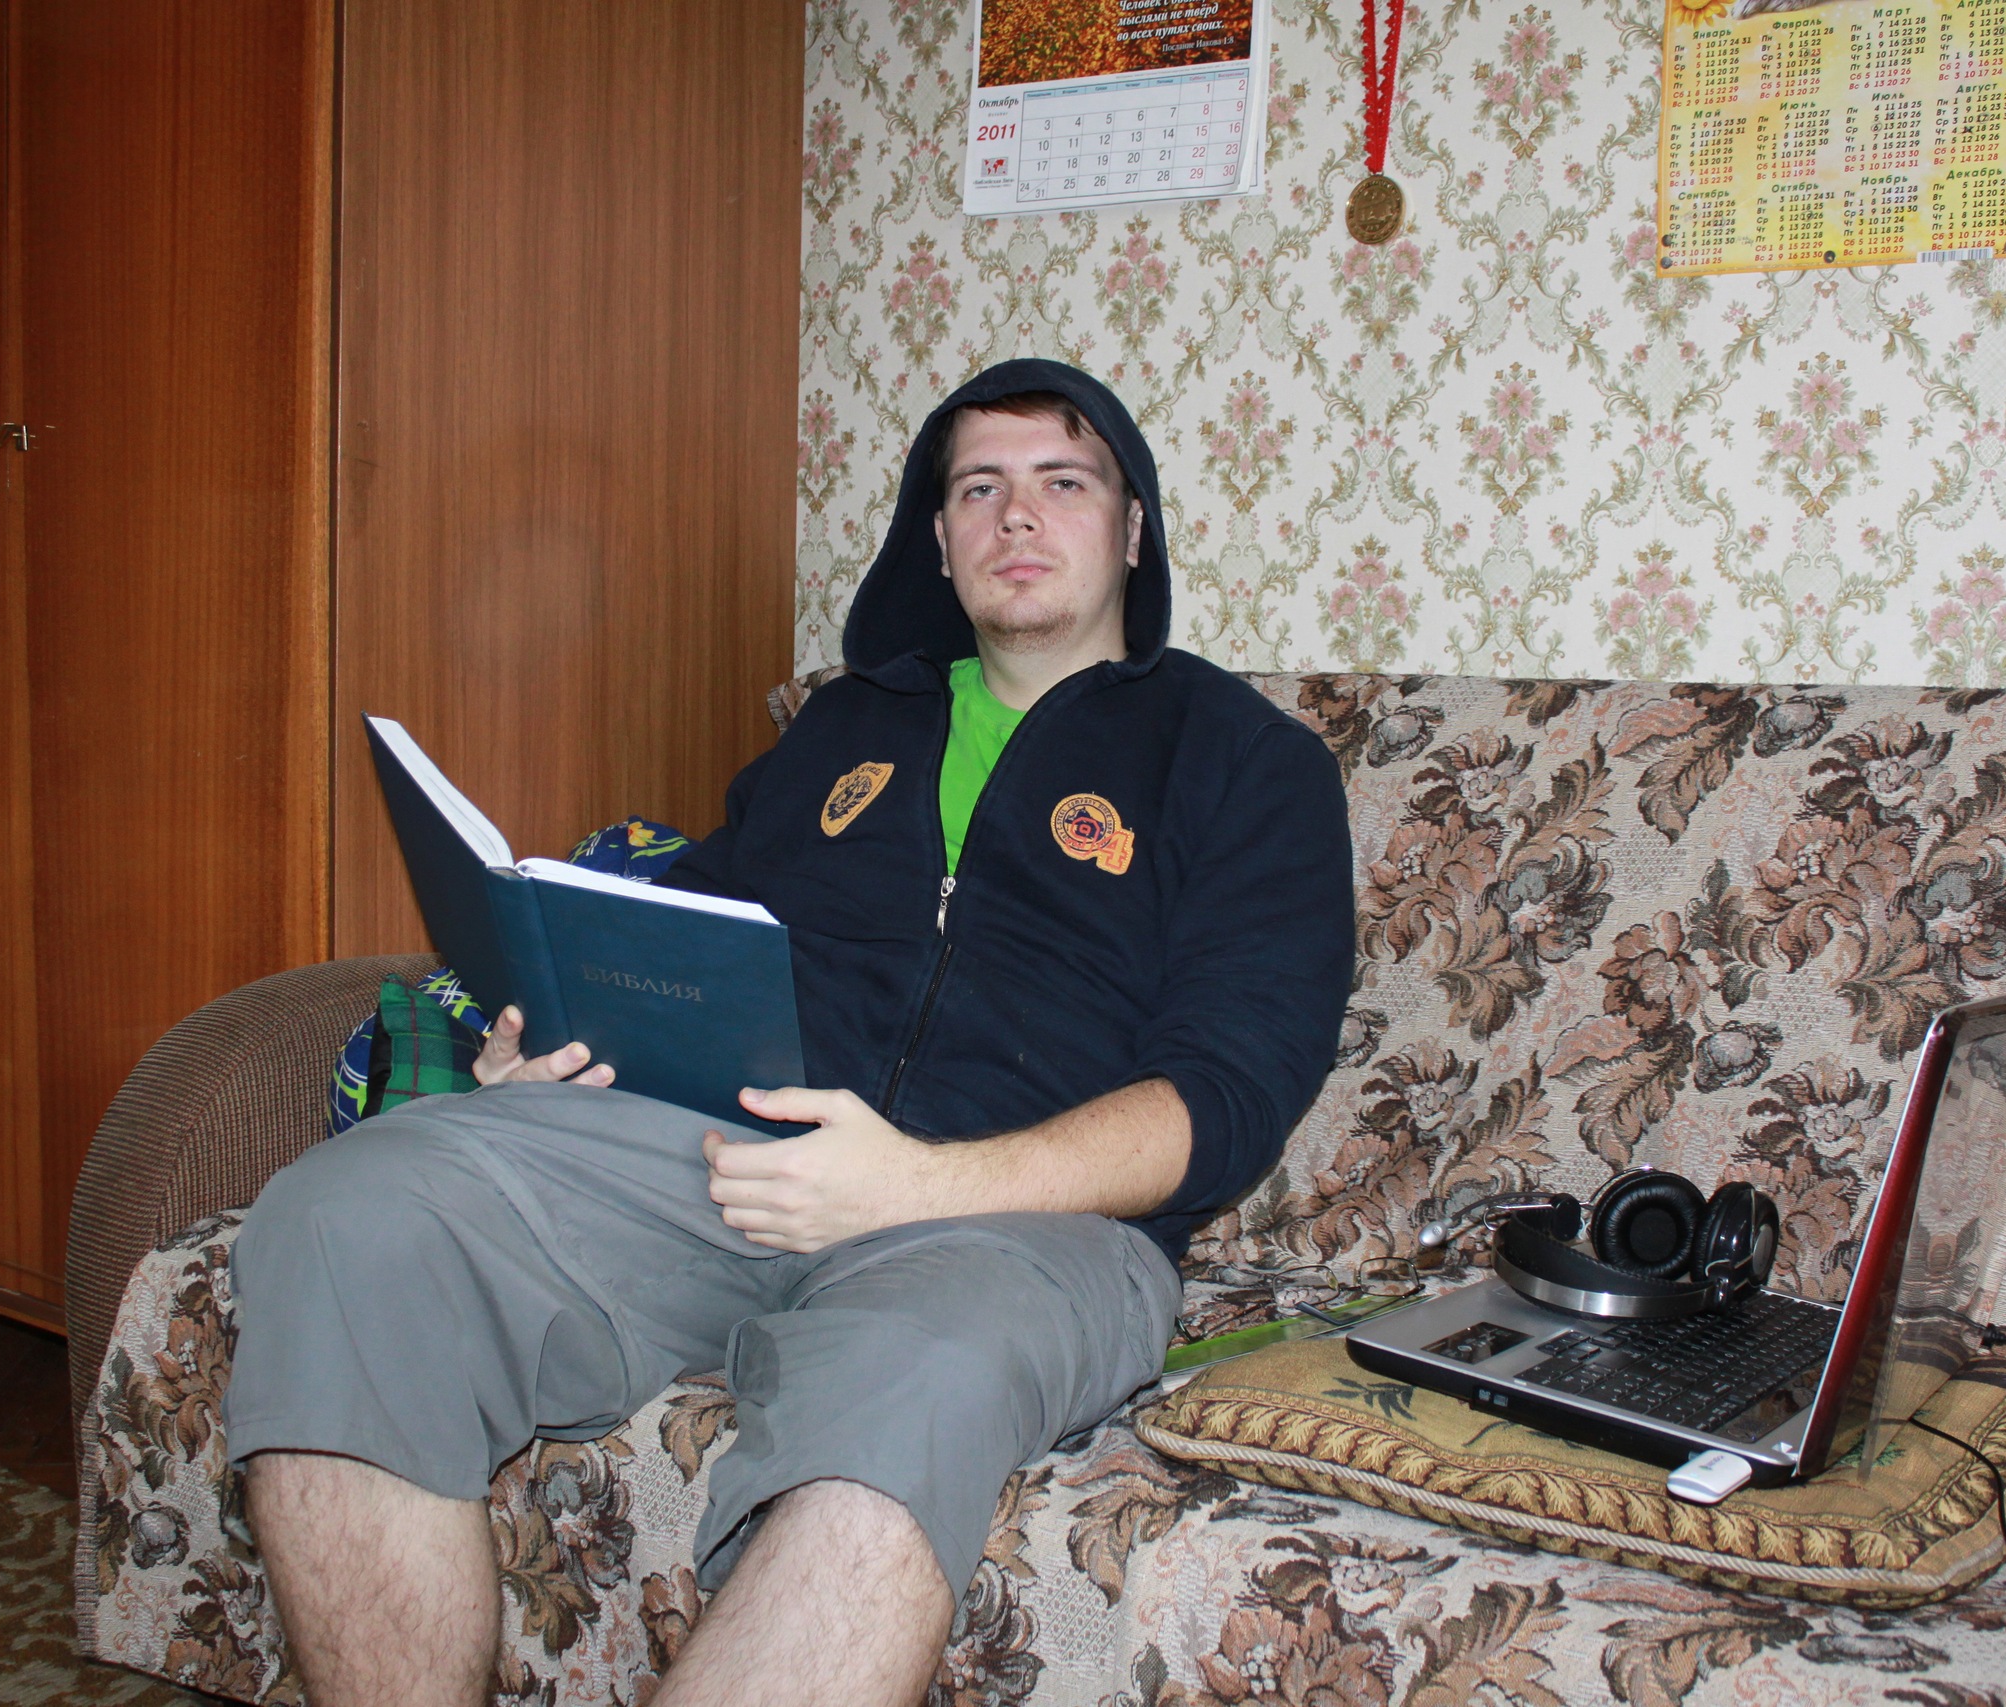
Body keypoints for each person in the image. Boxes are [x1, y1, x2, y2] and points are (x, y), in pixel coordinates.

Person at [222, 359, 1354, 1707]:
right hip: (723, 1161)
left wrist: (914, 1183)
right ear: (939, 539)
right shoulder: (846, 724)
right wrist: (559, 1036)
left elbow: (1229, 1092)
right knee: (348, 1218)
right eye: (978, 488)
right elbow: (683, 934)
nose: (1015, 515)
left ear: (1133, 528)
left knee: (914, 1380)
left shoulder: (1245, 760)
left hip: (1023, 1225)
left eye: (1064, 482)